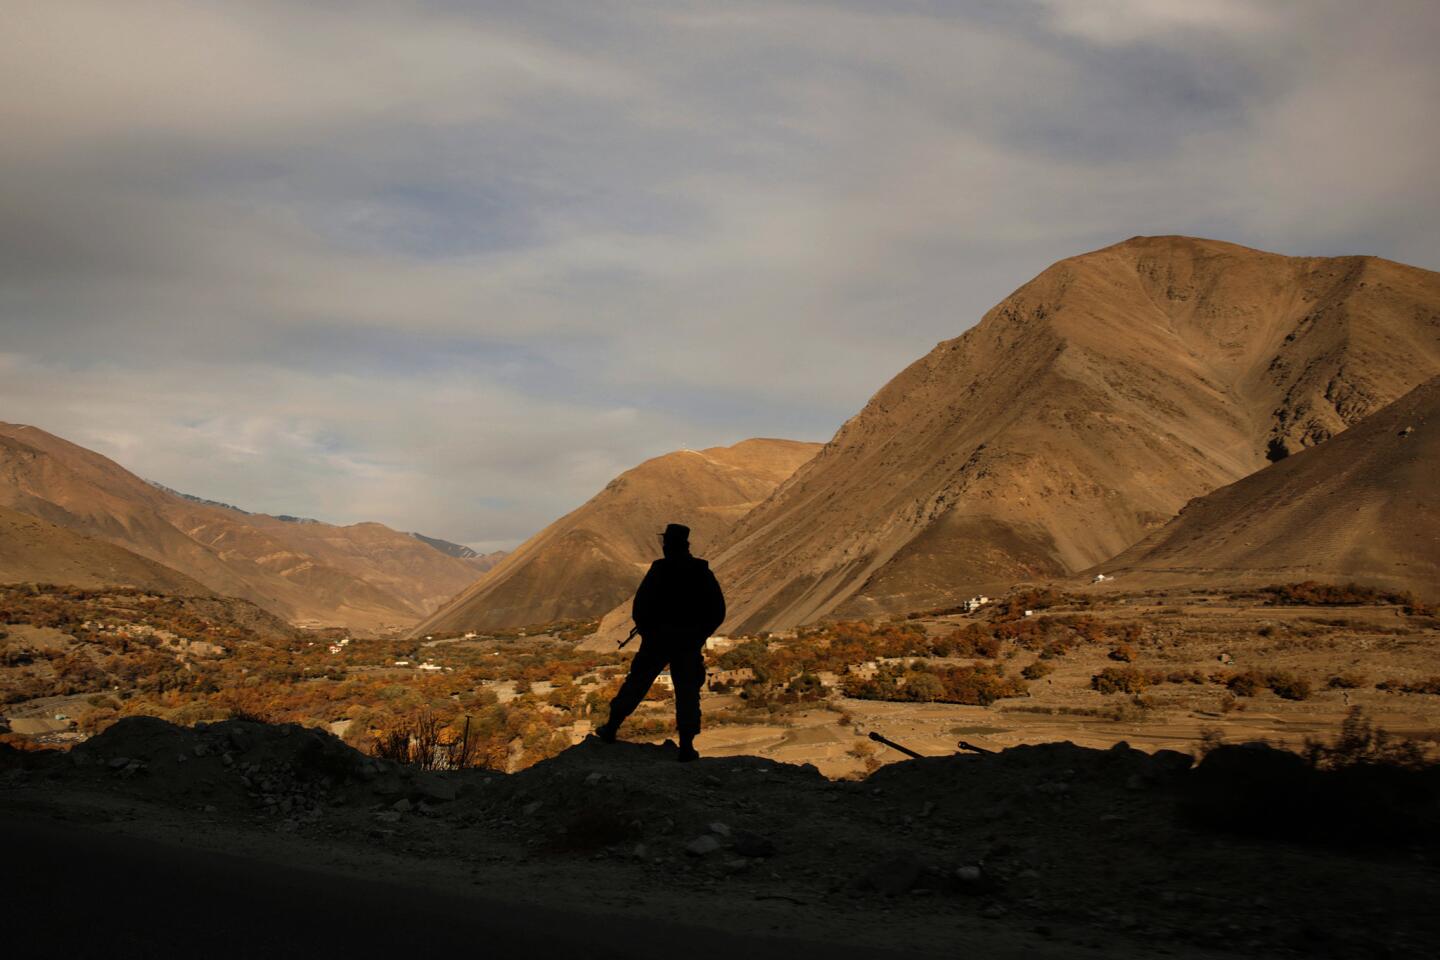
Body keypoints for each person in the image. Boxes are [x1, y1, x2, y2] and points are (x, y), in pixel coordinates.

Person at [595, 523, 725, 762]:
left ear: (669, 545)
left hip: (657, 642)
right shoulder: (700, 571)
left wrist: (649, 631)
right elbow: (717, 611)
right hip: (687, 643)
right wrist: (698, 636)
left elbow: (640, 605)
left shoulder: (660, 570)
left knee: (636, 684)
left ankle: (611, 728)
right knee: (687, 692)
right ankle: (686, 746)